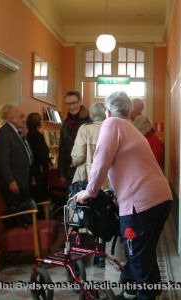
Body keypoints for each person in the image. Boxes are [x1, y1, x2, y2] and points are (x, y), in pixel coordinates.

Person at [75, 91, 172, 300]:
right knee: (144, 252)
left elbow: (101, 160)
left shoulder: (111, 125)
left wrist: (89, 192)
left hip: (141, 202)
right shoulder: (133, 129)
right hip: (162, 198)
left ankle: (145, 296)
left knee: (137, 254)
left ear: (108, 111)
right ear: (129, 112)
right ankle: (144, 291)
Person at [71, 102, 109, 268]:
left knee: (80, 213)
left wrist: (72, 162)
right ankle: (100, 254)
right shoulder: (110, 128)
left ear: (92, 115)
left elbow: (78, 156)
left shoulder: (85, 129)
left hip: (85, 177)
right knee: (103, 214)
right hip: (106, 178)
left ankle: (80, 251)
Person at [0, 104, 35, 228]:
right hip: (13, 182)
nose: (24, 119)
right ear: (10, 117)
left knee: (23, 213)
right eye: (21, 116)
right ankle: (17, 244)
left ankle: (25, 243)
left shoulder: (16, 131)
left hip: (22, 180)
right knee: (16, 215)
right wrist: (11, 181)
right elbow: (3, 161)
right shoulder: (4, 132)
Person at [58, 90, 91, 186]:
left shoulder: (89, 121)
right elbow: (62, 148)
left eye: (74, 103)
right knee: (71, 199)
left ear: (80, 102)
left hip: (85, 171)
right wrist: (61, 172)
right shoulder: (65, 122)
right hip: (69, 171)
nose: (71, 106)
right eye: (68, 104)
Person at [26, 112, 51, 203]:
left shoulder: (29, 135)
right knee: (41, 195)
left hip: (34, 169)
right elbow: (42, 153)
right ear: (38, 122)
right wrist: (47, 165)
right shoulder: (37, 135)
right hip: (39, 170)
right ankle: (43, 216)